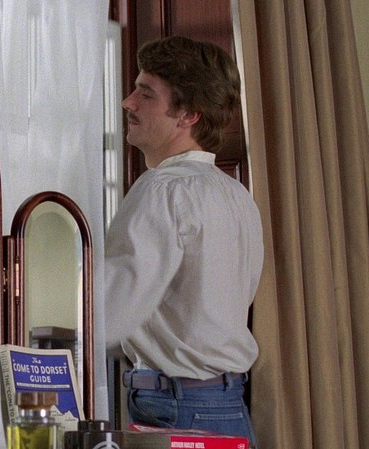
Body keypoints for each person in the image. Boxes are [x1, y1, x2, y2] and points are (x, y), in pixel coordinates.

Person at [105, 35, 263, 447]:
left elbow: (110, 313)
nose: (127, 102)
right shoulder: (236, 195)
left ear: (189, 115)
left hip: (174, 409)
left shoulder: (161, 189)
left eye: (146, 94)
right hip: (229, 407)